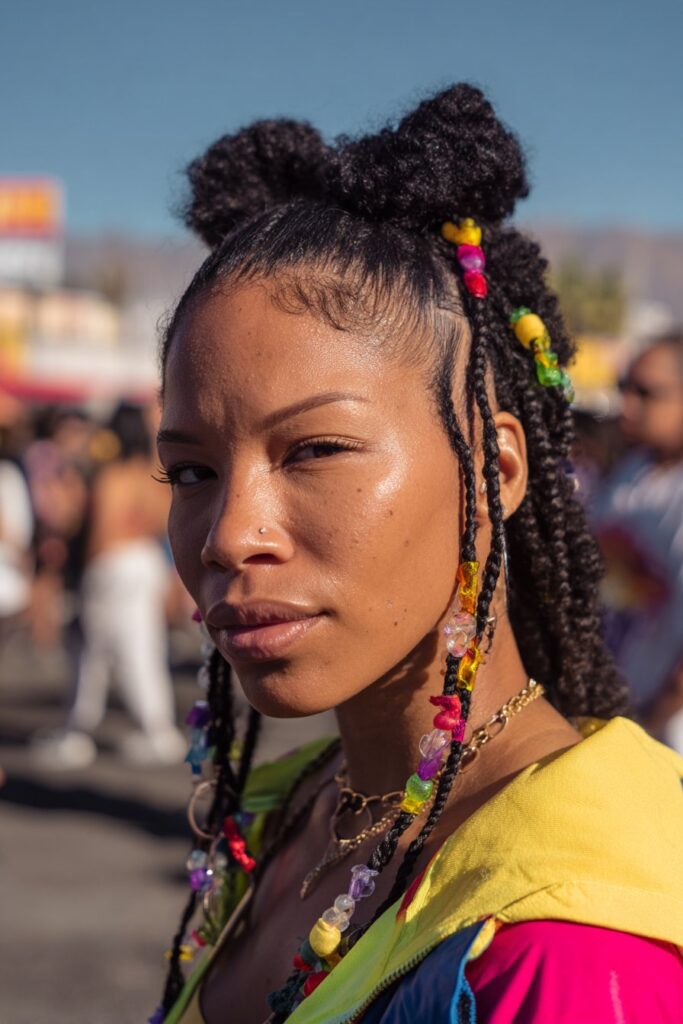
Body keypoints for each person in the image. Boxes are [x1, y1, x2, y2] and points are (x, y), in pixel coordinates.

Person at [150, 86, 683, 1024]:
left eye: (314, 450)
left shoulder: (566, 948)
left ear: (497, 467)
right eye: (190, 471)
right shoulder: (300, 808)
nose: (230, 534)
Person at [34, 402, 186, 767]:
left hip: (112, 566)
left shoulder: (110, 476)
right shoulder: (151, 476)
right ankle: (158, 728)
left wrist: (82, 570)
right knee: (142, 649)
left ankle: (78, 731)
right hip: (145, 562)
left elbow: (100, 532)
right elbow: (160, 523)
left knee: (92, 654)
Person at [592, 332, 683, 754]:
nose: (627, 403)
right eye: (623, 387)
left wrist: (649, 725)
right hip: (610, 726)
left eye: (645, 392)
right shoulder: (632, 472)